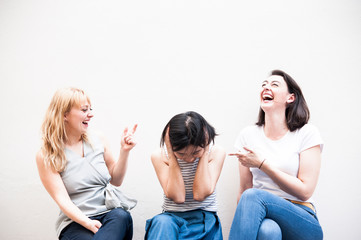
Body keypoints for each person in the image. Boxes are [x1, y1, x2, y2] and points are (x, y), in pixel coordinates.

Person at [228, 70, 324, 240]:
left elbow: (305, 191)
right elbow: (244, 190)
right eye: (264, 84)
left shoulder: (306, 133)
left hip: (302, 217)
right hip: (263, 217)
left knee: (252, 196)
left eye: (274, 85)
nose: (266, 88)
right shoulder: (247, 135)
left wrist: (263, 165)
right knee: (268, 231)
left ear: (290, 98)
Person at [36, 87, 137, 240]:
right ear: (65, 115)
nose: (91, 114)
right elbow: (62, 199)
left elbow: (116, 180)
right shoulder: (46, 155)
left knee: (121, 215)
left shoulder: (98, 139)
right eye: (84, 110)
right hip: (75, 222)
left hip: (110, 214)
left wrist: (124, 151)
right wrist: (88, 223)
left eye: (90, 109)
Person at [145, 111, 226, 240]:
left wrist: (204, 153)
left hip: (204, 220)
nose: (189, 159)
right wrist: (172, 156)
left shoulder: (216, 152)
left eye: (195, 152)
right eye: (182, 154)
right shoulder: (159, 156)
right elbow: (178, 197)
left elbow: (200, 194)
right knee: (162, 222)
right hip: (172, 219)